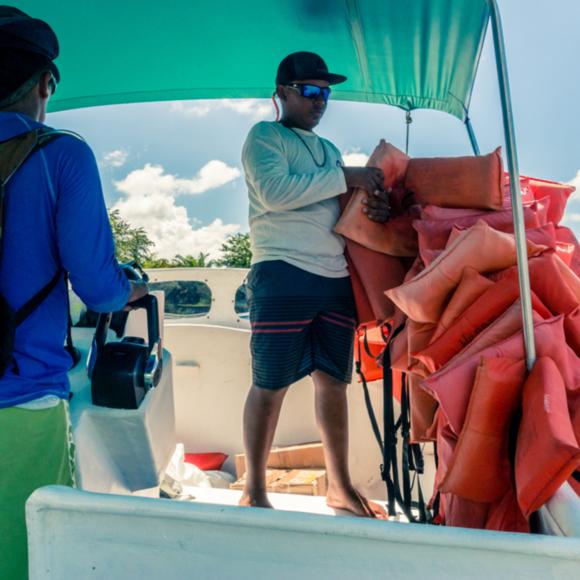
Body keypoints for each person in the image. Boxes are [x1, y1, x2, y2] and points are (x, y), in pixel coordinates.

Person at [0, 7, 147, 578]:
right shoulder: (60, 154)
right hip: (21, 398)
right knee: (28, 556)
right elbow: (99, 288)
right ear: (44, 83)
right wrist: (129, 286)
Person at [240, 51, 390, 517]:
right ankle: (255, 489)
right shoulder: (265, 136)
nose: (320, 101)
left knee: (334, 383)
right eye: (309, 90)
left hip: (334, 278)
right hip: (281, 272)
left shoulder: (328, 152)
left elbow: (338, 207)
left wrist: (374, 210)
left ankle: (340, 487)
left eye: (326, 93)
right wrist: (346, 177)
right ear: (282, 92)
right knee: (270, 384)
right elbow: (275, 193)